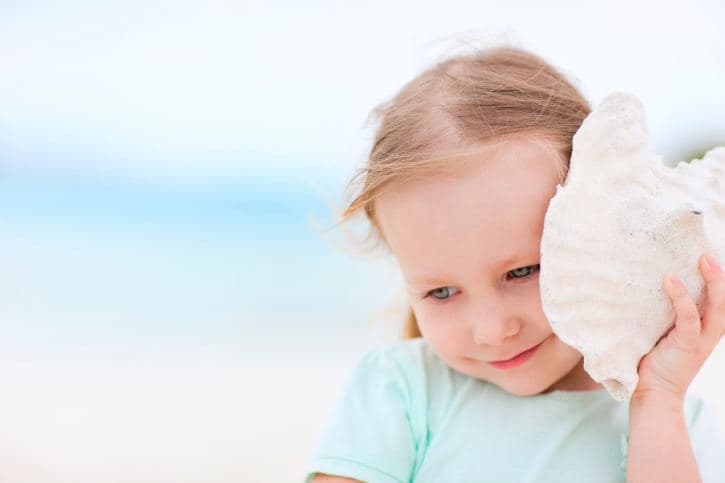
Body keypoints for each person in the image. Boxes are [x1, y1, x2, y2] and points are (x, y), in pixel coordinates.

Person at [306, 46, 725, 482]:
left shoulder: (673, 422)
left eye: (522, 272)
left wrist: (657, 401)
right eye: (441, 292)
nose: (491, 331)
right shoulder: (400, 391)